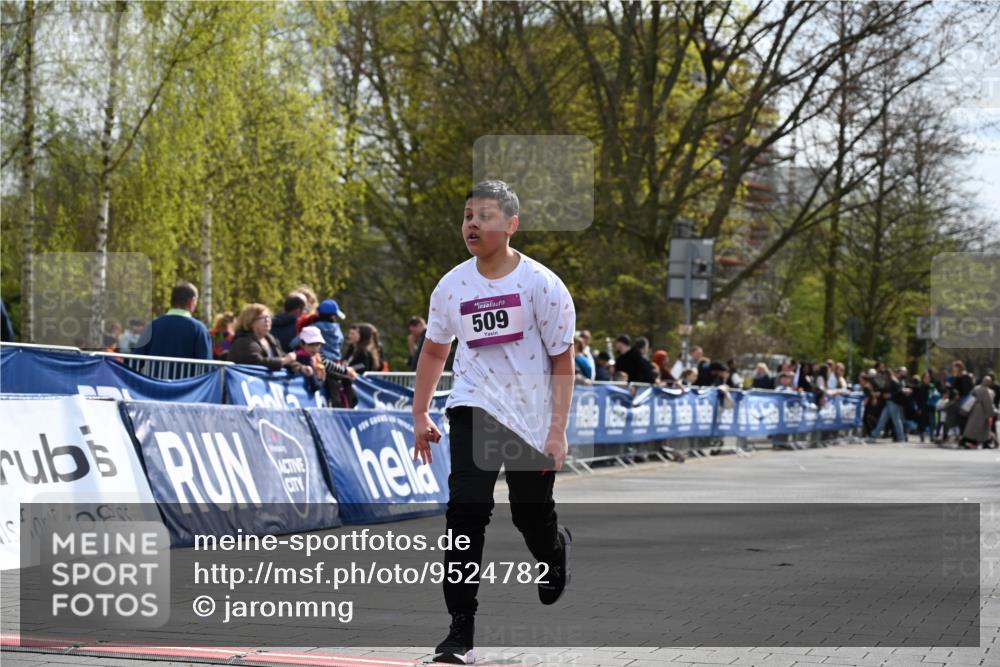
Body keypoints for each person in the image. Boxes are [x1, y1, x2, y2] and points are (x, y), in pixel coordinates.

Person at [410, 180, 574, 665]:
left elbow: (563, 363)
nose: (472, 224)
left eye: (484, 215)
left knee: (529, 515)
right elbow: (436, 350)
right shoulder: (453, 286)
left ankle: (552, 551)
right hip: (472, 409)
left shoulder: (542, 285)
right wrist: (420, 412)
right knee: (465, 513)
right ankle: (460, 630)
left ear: (511, 225)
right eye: (467, 216)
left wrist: (558, 430)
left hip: (531, 417)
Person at [133, 282, 212, 360]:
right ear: (192, 301)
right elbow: (207, 367)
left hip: (154, 373)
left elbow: (135, 361)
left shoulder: (153, 326)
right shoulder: (199, 329)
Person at [227, 303, 310, 375]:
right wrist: (284, 361)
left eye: (268, 317)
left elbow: (281, 356)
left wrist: (300, 368)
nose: (267, 321)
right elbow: (258, 363)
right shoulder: (243, 341)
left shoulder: (270, 338)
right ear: (250, 321)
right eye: (262, 317)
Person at [294, 325, 356, 407]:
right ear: (302, 344)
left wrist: (345, 371)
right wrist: (322, 378)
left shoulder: (317, 355)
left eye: (317, 345)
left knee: (344, 378)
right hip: (308, 401)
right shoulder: (301, 357)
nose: (315, 349)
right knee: (331, 380)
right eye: (311, 345)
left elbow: (327, 364)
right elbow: (315, 386)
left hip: (319, 394)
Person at [868, 367, 906, 442]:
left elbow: (898, 392)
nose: (884, 376)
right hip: (889, 403)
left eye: (885, 375)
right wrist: (881, 394)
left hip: (893, 403)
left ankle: (901, 437)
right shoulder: (889, 381)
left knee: (896, 421)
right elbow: (884, 390)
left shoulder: (893, 381)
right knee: (883, 420)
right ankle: (874, 435)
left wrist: (890, 395)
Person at [960, 375, 997, 449]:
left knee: (973, 427)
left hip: (974, 409)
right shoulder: (986, 390)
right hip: (982, 411)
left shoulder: (976, 387)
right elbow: (988, 403)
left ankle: (984, 442)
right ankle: (984, 442)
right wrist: (991, 412)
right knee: (981, 428)